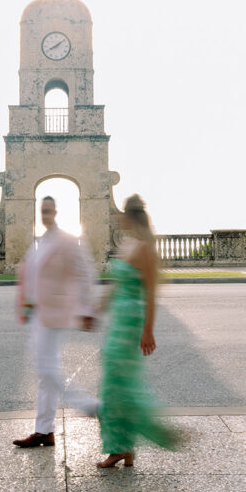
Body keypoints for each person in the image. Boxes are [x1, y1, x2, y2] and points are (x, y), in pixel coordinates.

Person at [96, 194, 178, 468]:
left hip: (131, 323)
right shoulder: (129, 244)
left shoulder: (145, 249)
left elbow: (152, 294)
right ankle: (124, 448)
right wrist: (98, 308)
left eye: (122, 215)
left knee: (117, 386)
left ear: (131, 218)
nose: (118, 219)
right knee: (115, 383)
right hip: (119, 320)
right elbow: (117, 284)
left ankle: (149, 429)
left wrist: (148, 330)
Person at [13, 195, 97, 448]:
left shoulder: (67, 241)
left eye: (49, 211)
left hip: (56, 312)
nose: (45, 215)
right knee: (44, 373)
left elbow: (85, 272)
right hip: (38, 313)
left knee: (47, 369)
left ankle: (89, 405)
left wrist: (86, 308)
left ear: (56, 212)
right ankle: (44, 431)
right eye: (43, 211)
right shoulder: (38, 243)